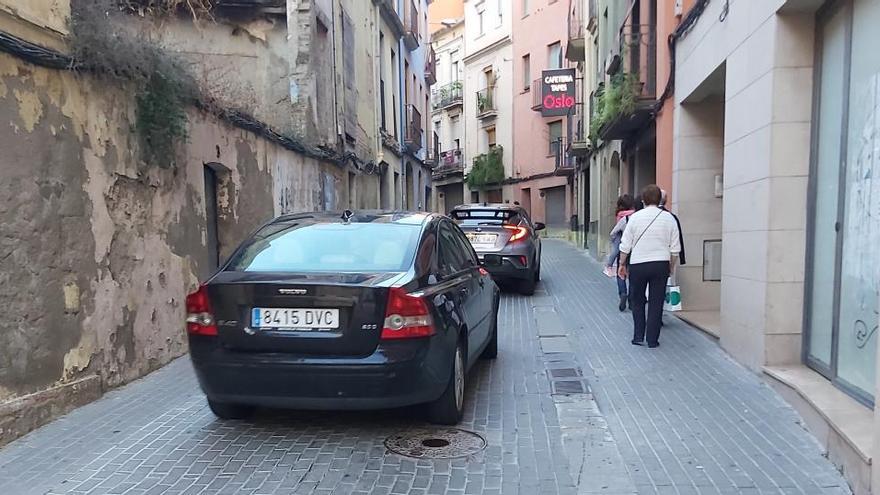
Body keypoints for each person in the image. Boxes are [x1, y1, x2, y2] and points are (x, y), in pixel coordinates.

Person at [618, 185, 681, 348]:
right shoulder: (669, 219)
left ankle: (638, 336)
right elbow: (675, 248)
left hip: (638, 264)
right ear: (660, 199)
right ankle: (653, 340)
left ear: (643, 200)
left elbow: (625, 245)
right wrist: (671, 266)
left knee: (638, 300)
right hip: (660, 264)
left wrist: (622, 263)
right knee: (656, 302)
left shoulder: (635, 218)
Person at [604, 194, 635, 278]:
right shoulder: (634, 214)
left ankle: (609, 266)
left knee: (616, 252)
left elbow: (615, 230)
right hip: (631, 238)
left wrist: (612, 238)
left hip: (621, 236)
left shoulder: (620, 214)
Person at [660, 189, 686, 265]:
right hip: (666, 255)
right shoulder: (671, 216)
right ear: (665, 200)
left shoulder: (641, 216)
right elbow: (678, 237)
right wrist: (682, 258)